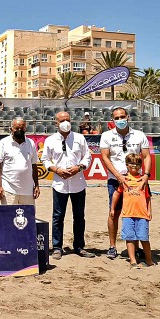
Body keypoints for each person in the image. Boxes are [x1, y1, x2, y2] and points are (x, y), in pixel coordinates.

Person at [41, 111, 94, 260]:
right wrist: (56, 169)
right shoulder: (50, 140)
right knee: (58, 216)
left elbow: (87, 156)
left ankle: (79, 246)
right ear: (56, 123)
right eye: (62, 120)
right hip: (59, 183)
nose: (65, 122)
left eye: (68, 119)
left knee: (79, 216)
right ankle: (57, 247)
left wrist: (79, 167)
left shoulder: (79, 138)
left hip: (78, 183)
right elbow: (45, 159)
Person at [100, 107, 151, 259]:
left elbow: (146, 156)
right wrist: (119, 176)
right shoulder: (107, 135)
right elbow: (105, 157)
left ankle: (135, 248)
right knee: (114, 212)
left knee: (136, 213)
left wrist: (146, 175)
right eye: (117, 117)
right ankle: (112, 246)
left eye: (122, 116)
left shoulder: (139, 135)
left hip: (137, 181)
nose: (120, 119)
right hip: (116, 180)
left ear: (128, 117)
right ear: (112, 119)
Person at [110, 153, 154, 268]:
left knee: (144, 238)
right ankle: (133, 260)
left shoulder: (143, 180)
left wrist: (149, 211)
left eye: (138, 163)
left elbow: (148, 197)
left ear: (141, 165)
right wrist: (112, 208)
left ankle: (149, 260)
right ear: (127, 165)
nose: (135, 165)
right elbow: (116, 194)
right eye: (132, 163)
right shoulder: (124, 179)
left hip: (142, 214)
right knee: (130, 238)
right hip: (128, 214)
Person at [0, 118, 40, 205]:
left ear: (25, 129)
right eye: (17, 128)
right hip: (9, 190)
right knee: (9, 217)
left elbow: (34, 165)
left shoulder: (31, 143)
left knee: (26, 217)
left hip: (28, 191)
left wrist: (37, 185)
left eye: (22, 128)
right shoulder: (4, 142)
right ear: (11, 129)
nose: (20, 130)